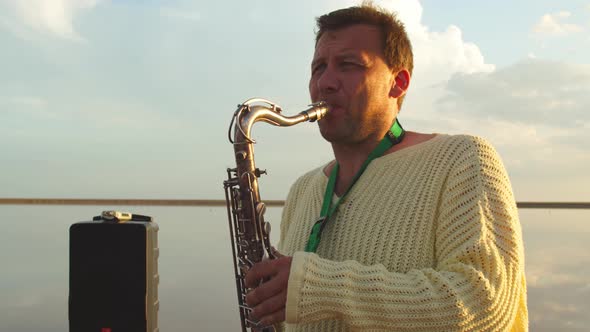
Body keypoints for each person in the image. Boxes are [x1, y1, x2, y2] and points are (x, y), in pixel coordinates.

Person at [244, 3, 528, 331]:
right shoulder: (302, 189)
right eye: (318, 67)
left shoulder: (462, 158)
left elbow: (484, 307)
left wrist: (319, 287)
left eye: (348, 65)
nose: (325, 83)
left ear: (398, 83)